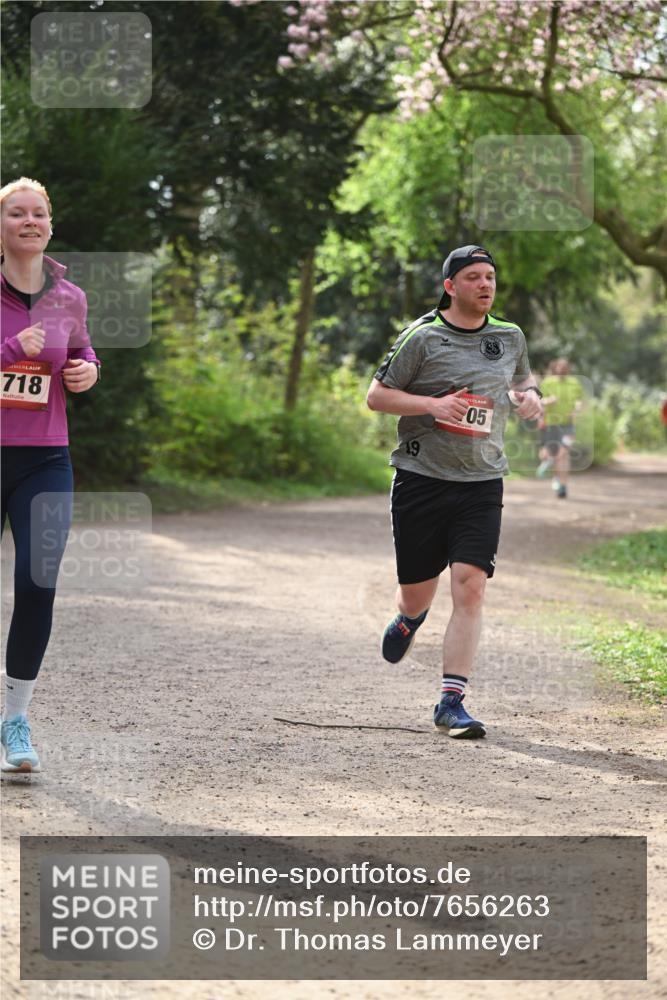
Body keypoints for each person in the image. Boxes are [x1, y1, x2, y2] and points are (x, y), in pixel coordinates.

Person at [366, 245, 542, 739]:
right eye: (473, 277)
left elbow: (525, 383)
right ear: (450, 286)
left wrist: (530, 399)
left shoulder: (509, 336)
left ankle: (451, 701)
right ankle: (409, 618)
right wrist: (431, 405)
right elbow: (376, 396)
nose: (485, 285)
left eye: (490, 277)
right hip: (421, 480)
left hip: (482, 482)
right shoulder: (422, 338)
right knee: (417, 594)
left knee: (470, 586)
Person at [1, 177, 100, 773]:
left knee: (38, 584)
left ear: (51, 227)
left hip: (44, 458)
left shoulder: (71, 297)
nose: (30, 221)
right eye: (17, 213)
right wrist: (13, 349)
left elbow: (82, 349)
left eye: (39, 213)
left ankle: (15, 718)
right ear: (2, 226)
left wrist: (89, 369)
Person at [535, 358, 583, 498]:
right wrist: (548, 401)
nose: (562, 370)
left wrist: (578, 407)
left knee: (564, 453)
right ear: (555, 368)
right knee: (555, 455)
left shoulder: (575, 383)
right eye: (560, 367)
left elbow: (579, 399)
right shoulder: (547, 383)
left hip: (568, 424)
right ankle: (556, 476)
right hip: (551, 423)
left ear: (568, 369)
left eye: (565, 367)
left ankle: (563, 485)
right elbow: (539, 401)